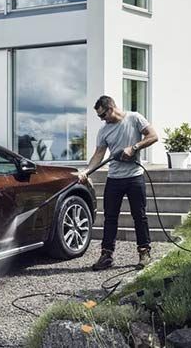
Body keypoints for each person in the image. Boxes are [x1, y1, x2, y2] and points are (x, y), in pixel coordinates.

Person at [77, 95, 158, 271]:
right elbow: (99, 154)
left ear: (111, 108)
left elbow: (153, 136)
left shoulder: (134, 118)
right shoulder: (104, 130)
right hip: (114, 178)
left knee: (139, 216)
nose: (102, 119)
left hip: (135, 176)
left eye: (103, 115)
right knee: (110, 217)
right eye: (99, 116)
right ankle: (106, 255)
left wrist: (134, 148)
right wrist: (86, 171)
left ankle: (144, 253)